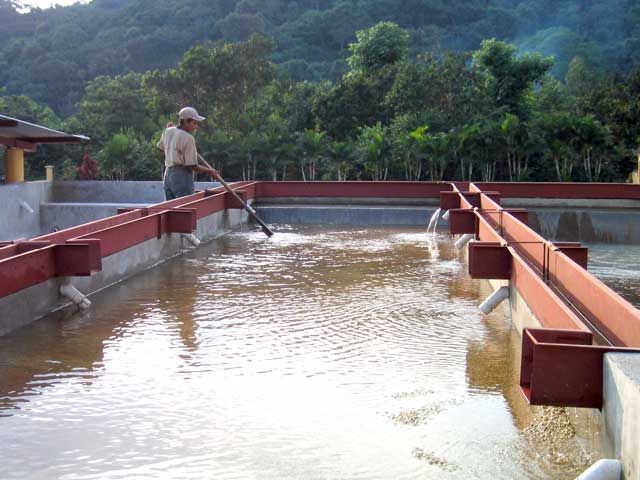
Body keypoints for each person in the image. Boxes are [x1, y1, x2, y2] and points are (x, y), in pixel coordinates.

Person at [157, 106, 218, 200]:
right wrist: (210, 171)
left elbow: (160, 149)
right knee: (184, 205)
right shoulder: (188, 138)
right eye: (194, 123)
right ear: (185, 122)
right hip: (181, 176)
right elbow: (192, 166)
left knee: (170, 206)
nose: (196, 126)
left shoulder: (168, 131)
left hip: (168, 175)